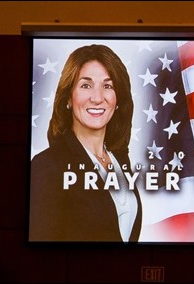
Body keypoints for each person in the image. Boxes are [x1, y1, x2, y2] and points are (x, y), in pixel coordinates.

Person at [29, 44, 142, 242]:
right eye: (86, 85)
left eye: (108, 86)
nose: (97, 98)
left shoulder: (119, 159)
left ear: (118, 100)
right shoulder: (48, 165)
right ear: (68, 98)